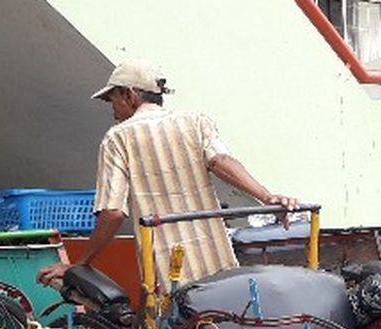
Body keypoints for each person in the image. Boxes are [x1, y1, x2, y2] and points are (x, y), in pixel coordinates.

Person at [37, 60, 297, 289]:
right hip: (217, 267)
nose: (111, 107)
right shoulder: (196, 122)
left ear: (128, 95)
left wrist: (79, 264)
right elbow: (221, 161)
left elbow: (113, 212)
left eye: (111, 98)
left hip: (165, 273)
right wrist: (268, 197)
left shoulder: (117, 138)